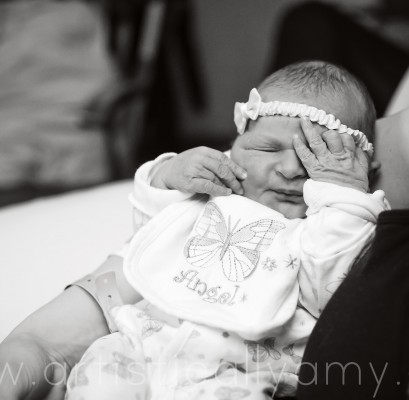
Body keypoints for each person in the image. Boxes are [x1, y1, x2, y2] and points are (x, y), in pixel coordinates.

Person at [61, 61, 388, 399]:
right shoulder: (216, 192)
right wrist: (167, 175)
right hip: (140, 345)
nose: (291, 169)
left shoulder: (333, 232)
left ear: (364, 173)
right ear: (235, 148)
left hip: (239, 373)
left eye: (319, 157)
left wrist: (344, 200)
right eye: (267, 149)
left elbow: (333, 291)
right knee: (99, 379)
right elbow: (151, 221)